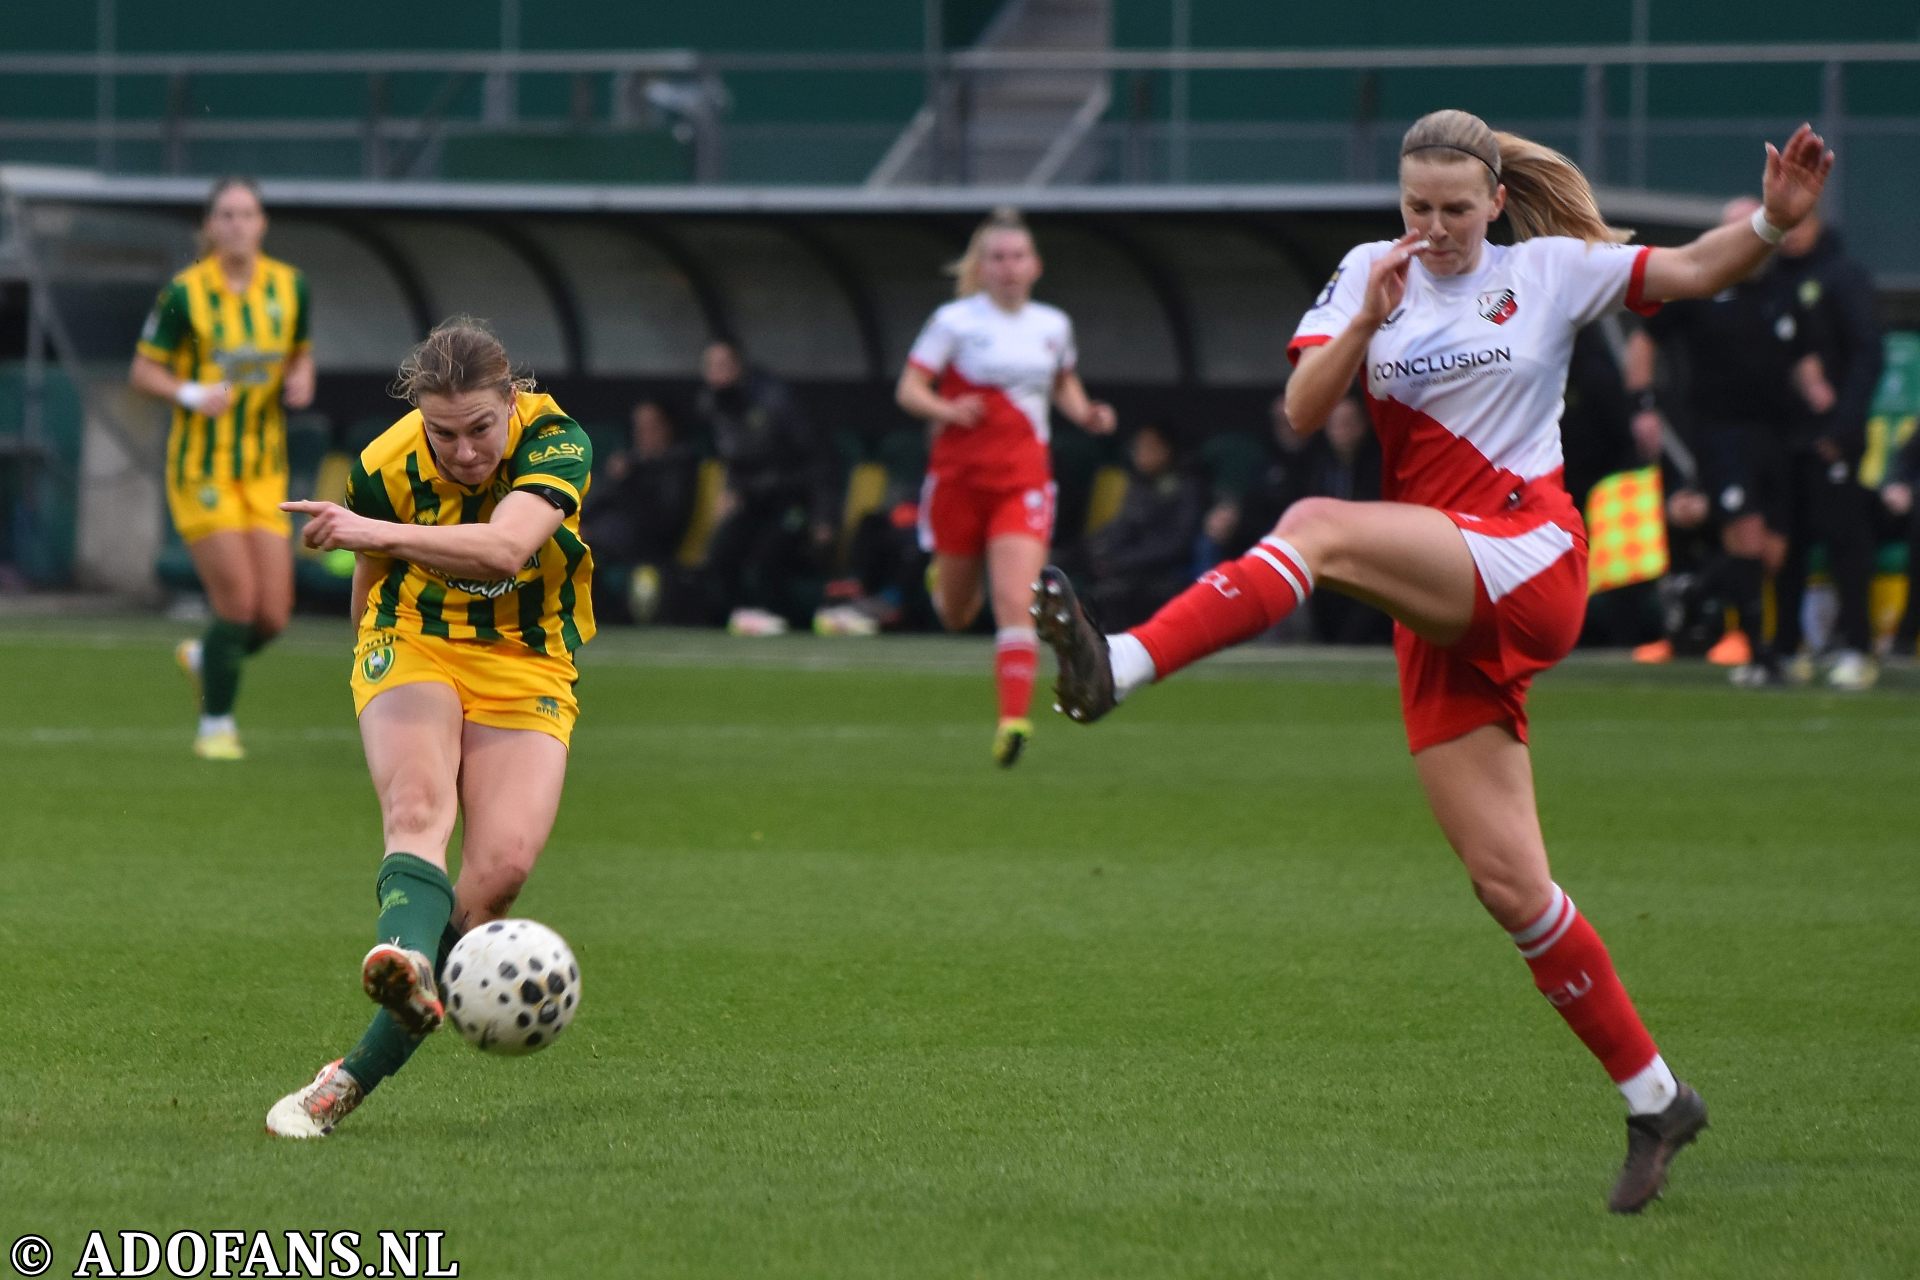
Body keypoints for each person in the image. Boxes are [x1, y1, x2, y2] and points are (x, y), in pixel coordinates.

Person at [1033, 110, 1835, 1212]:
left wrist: (1772, 223)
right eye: (1419, 207)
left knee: (1315, 524)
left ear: (1497, 199)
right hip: (1442, 594)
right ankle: (1658, 1097)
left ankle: (1117, 664)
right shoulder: (1371, 271)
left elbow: (1697, 266)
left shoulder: (1548, 270)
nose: (1439, 227)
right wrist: (1364, 320)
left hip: (1530, 553)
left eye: (1458, 208)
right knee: (1514, 889)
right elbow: (1303, 408)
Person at [262, 318, 596, 1138]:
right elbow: (369, 586)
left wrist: (371, 530)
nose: (465, 451)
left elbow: (507, 550)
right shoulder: (387, 460)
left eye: (481, 428)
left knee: (498, 877)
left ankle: (364, 1051)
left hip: (528, 659)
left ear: (510, 401)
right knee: (416, 812)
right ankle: (404, 965)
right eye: (444, 434)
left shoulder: (557, 440)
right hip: (414, 639)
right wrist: (377, 670)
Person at [896, 207, 1117, 767]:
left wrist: (1085, 413)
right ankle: (942, 578)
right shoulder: (955, 321)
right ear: (982, 266)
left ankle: (1013, 720)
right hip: (959, 480)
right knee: (954, 611)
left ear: (1035, 265)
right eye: (998, 257)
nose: (1009, 267)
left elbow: (1064, 382)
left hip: (1023, 481)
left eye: (1018, 256)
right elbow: (909, 389)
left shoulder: (1052, 325)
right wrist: (947, 407)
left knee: (1016, 600)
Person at [130, 176, 314, 760]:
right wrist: (189, 392)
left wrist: (301, 374)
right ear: (209, 227)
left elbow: (299, 350)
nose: (237, 224)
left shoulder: (291, 288)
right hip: (202, 470)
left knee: (273, 616)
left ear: (263, 224)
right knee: (236, 605)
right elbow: (143, 371)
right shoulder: (185, 295)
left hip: (264, 468)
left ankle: (206, 657)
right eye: (226, 215)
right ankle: (215, 726)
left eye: (247, 213)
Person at [1622, 196, 1825, 683]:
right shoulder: (1699, 289)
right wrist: (1642, 405)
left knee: (1772, 552)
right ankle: (1759, 656)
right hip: (1720, 432)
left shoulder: (1782, 290)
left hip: (1777, 434)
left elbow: (1803, 359)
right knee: (1746, 536)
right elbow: (1643, 340)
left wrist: (1826, 404)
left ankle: (1695, 589)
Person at [1769, 208, 1885, 689]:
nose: (1791, 235)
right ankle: (1785, 648)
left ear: (1816, 223)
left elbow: (1868, 354)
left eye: (1799, 225)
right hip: (1781, 438)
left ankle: (1858, 647)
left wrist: (1841, 426)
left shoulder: (1842, 275)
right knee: (1786, 547)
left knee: (1845, 543)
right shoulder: (1771, 279)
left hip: (1832, 439)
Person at [695, 338, 837, 635]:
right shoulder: (712, 404)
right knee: (721, 552)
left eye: (724, 365)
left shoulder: (775, 400)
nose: (716, 373)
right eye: (711, 366)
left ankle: (788, 624)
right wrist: (731, 490)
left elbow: (817, 459)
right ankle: (738, 617)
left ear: (739, 367)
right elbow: (733, 459)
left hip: (793, 500)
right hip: (753, 501)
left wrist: (824, 517)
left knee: (767, 557)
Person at [580, 399, 698, 624]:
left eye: (652, 426)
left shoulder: (680, 464)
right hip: (615, 535)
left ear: (667, 427)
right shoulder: (631, 463)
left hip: (650, 543)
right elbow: (597, 503)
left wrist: (631, 479)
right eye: (639, 427)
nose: (644, 434)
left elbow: (666, 519)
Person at [1078, 421, 1205, 630]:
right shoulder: (1138, 485)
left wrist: (1122, 562)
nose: (1141, 454)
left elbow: (1177, 545)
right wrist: (1097, 550)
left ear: (1167, 450)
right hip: (1131, 569)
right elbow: (1121, 527)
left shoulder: (1186, 486)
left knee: (1116, 592)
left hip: (1165, 573)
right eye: (1138, 447)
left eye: (1150, 447)